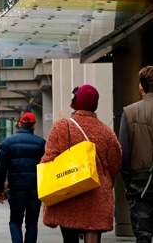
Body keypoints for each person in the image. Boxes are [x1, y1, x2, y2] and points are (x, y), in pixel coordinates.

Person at [41, 84, 122, 243]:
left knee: (69, 235)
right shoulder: (106, 132)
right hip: (97, 193)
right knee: (92, 230)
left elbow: (49, 159)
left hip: (68, 193)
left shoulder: (61, 127)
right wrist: (105, 182)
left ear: (74, 103)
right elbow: (115, 162)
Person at [118, 65, 153, 243]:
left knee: (143, 235)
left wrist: (128, 179)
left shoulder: (129, 112)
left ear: (140, 87)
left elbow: (124, 151)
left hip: (139, 182)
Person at [0, 111, 46, 243]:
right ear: (34, 126)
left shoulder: (8, 142)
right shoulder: (41, 143)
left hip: (16, 189)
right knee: (32, 224)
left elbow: (0, 168)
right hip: (35, 189)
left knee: (15, 221)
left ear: (19, 124)